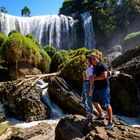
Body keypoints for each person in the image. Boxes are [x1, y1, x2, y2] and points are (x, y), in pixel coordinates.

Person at [91, 53, 113, 129]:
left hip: (104, 88)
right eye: (91, 59)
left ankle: (110, 122)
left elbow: (104, 76)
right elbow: (96, 76)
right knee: (94, 101)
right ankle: (101, 115)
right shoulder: (95, 66)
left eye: (94, 58)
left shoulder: (102, 65)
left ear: (97, 58)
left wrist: (94, 79)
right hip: (97, 88)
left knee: (107, 104)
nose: (92, 60)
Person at [81, 54, 94, 120]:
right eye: (85, 60)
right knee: (83, 99)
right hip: (86, 83)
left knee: (88, 100)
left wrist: (91, 89)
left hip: (89, 84)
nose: (86, 61)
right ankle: (89, 112)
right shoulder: (88, 68)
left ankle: (90, 114)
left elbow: (91, 79)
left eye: (87, 60)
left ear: (90, 61)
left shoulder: (91, 68)